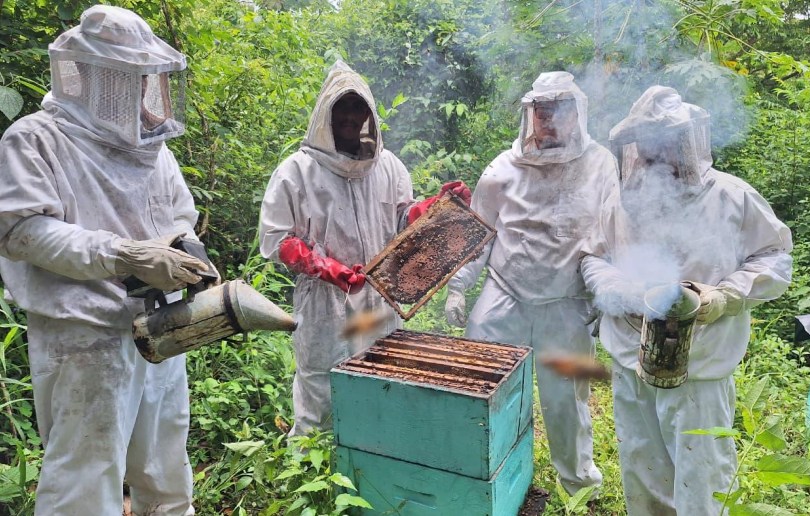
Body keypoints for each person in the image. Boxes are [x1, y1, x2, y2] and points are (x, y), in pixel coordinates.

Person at [0, 5, 211, 514]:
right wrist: (124, 254)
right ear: (90, 74)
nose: (141, 94)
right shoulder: (34, 139)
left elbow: (179, 212)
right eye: (128, 79)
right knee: (85, 481)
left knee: (164, 467)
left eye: (145, 80)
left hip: (161, 324)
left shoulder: (153, 145)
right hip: (83, 335)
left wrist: (186, 250)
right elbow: (21, 231)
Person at [580, 86, 792, 515]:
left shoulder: (733, 197)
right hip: (629, 355)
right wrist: (622, 291)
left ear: (693, 142)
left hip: (700, 363)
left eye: (671, 143)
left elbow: (775, 258)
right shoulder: (620, 199)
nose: (662, 156)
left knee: (702, 476)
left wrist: (725, 296)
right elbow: (593, 257)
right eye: (652, 145)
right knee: (642, 468)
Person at [259, 60, 470, 436]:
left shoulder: (388, 167)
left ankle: (370, 469)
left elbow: (405, 219)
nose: (351, 116)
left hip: (379, 295)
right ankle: (308, 480)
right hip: (325, 304)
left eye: (359, 107)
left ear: (369, 114)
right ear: (326, 112)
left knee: (379, 384)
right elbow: (276, 240)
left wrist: (435, 208)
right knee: (320, 393)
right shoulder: (296, 172)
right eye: (343, 106)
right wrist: (326, 267)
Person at [444, 71, 618, 496]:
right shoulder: (502, 169)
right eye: (542, 112)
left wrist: (607, 294)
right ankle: (478, 475)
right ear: (530, 116)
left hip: (567, 300)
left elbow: (613, 232)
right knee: (480, 382)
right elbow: (478, 232)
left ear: (578, 114)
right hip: (505, 293)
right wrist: (458, 285)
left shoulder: (600, 165)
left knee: (565, 402)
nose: (550, 121)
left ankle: (579, 489)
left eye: (559, 111)